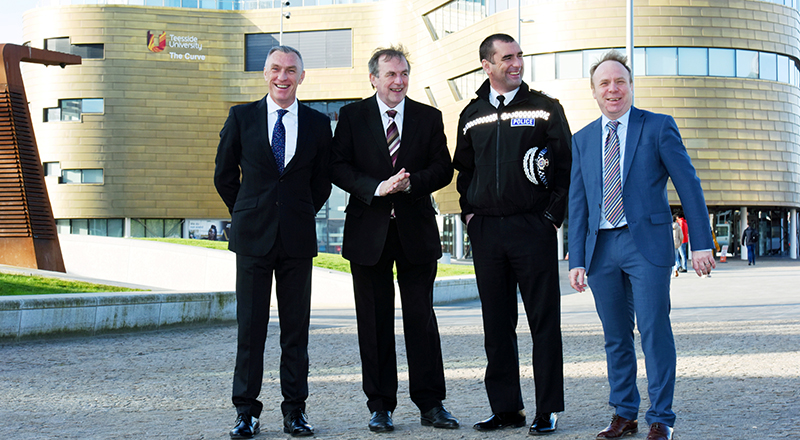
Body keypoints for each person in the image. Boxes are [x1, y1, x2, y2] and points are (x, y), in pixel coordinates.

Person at [568, 50, 716, 440]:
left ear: (630, 86)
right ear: (594, 91)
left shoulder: (658, 127)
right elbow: (578, 202)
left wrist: (701, 243)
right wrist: (577, 258)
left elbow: (689, 186)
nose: (613, 89)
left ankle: (661, 418)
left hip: (646, 246)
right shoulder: (582, 139)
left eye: (620, 81)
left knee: (653, 330)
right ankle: (624, 413)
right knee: (615, 336)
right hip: (601, 250)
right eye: (605, 83)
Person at [329, 45, 458, 433]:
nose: (398, 81)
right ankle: (381, 405)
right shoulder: (352, 116)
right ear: (373, 78)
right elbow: (337, 166)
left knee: (421, 320)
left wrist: (411, 183)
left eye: (404, 74)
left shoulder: (428, 116)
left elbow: (443, 168)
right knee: (374, 322)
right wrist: (377, 187)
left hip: (415, 231)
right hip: (368, 234)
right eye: (390, 75)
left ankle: (431, 404)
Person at [452, 33, 571, 436]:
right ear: (487, 65)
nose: (516, 63)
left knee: (543, 322)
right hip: (486, 231)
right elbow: (464, 170)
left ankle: (546, 409)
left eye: (519, 55)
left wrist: (551, 218)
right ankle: (506, 409)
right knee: (496, 324)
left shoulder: (545, 108)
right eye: (507, 57)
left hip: (532, 228)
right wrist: (470, 214)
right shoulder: (471, 114)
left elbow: (565, 168)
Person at [214, 46, 332, 439]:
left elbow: (321, 182)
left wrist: (294, 211)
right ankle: (246, 412)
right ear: (265, 74)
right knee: (251, 329)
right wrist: (248, 211)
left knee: (295, 331)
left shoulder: (318, 123)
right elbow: (224, 175)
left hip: (297, 240)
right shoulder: (241, 117)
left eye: (291, 70)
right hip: (252, 239)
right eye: (276, 69)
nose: (283, 76)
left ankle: (294, 411)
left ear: (302, 77)